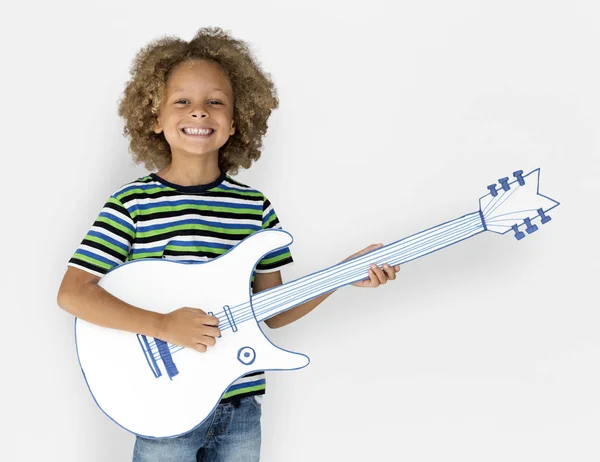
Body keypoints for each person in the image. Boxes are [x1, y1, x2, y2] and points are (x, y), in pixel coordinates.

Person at [56, 26, 400, 462]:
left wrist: (343, 275)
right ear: (154, 118)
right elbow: (73, 293)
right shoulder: (132, 204)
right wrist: (162, 326)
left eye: (215, 102)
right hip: (165, 409)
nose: (199, 112)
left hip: (240, 410)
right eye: (182, 101)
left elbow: (271, 310)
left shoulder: (255, 209)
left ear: (236, 121)